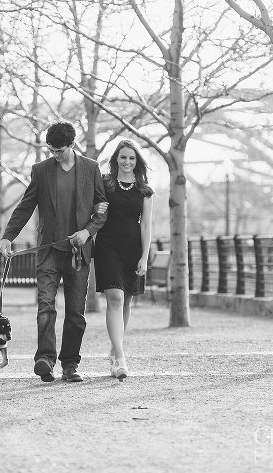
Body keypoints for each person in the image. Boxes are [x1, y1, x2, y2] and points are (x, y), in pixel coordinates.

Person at [0, 122, 107, 383]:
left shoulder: (91, 168)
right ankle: (45, 360)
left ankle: (70, 365)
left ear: (72, 145)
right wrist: (7, 236)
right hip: (49, 252)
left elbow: (102, 206)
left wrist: (88, 231)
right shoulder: (41, 171)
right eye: (51, 150)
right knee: (45, 306)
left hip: (78, 253)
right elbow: (26, 206)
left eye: (59, 150)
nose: (55, 155)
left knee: (75, 312)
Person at [93, 139, 154, 380]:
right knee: (115, 298)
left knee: (126, 301)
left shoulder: (145, 190)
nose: (127, 162)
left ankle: (114, 348)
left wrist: (144, 257)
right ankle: (120, 358)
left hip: (132, 249)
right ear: (116, 159)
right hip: (107, 247)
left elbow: (147, 225)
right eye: (123, 157)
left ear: (137, 161)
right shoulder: (105, 183)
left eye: (131, 158)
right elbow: (94, 208)